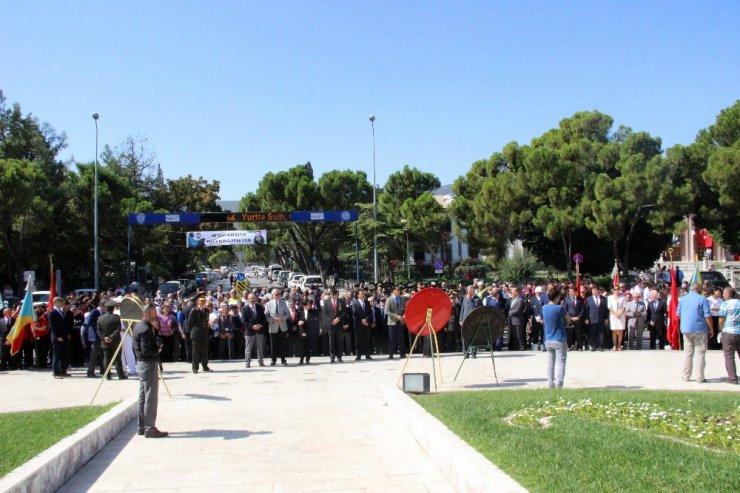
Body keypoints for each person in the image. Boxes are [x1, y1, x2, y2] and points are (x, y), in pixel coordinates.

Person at [133, 304, 167, 438]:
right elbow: (146, 351)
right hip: (147, 364)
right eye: (153, 313)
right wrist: (157, 350)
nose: (156, 315)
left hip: (141, 363)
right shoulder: (146, 328)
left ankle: (142, 426)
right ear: (146, 313)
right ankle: (150, 428)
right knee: (150, 397)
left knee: (143, 396)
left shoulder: (138, 326)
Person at [677, 282, 714, 383]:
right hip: (699, 329)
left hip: (686, 329)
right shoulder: (702, 299)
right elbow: (707, 315)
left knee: (688, 354)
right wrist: (711, 329)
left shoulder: (683, 299)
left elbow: (678, 314)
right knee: (700, 353)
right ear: (697, 288)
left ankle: (686, 376)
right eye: (701, 287)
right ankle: (700, 377)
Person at [543, 287, 568, 388]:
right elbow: (568, 318)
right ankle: (559, 384)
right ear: (557, 297)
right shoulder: (559, 308)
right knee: (561, 363)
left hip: (548, 338)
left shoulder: (544, 307)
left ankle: (550, 383)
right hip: (559, 338)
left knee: (550, 363)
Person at [98, 300, 127, 380]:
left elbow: (98, 331)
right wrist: (111, 337)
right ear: (113, 309)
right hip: (115, 341)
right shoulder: (116, 318)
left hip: (105, 341)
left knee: (106, 358)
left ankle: (107, 375)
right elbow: (118, 330)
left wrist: (105, 338)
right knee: (117, 358)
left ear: (106, 308)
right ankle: (120, 375)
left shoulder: (100, 318)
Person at [718, 287, 739, 385]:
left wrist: (721, 330)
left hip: (728, 332)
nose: (723, 295)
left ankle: (732, 378)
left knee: (729, 356)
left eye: (724, 293)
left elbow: (721, 319)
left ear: (727, 294)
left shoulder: (725, 304)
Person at [188, 294, 212, 373]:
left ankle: (205, 366)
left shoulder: (206, 310)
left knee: (205, 350)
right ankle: (195, 367)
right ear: (197, 301)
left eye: (204, 301)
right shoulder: (194, 310)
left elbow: (206, 320)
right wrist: (194, 331)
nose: (203, 302)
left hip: (204, 333)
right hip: (196, 333)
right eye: (201, 301)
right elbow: (190, 323)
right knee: (196, 351)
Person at [322, 288, 348, 363]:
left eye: (334, 294)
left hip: (339, 324)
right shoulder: (326, 302)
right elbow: (325, 314)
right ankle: (332, 357)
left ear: (337, 294)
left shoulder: (341, 302)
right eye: (332, 294)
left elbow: (344, 313)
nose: (333, 296)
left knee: (339, 341)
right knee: (331, 341)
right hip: (331, 325)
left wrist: (338, 319)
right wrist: (331, 321)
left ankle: (339, 356)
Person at [265, 288, 290, 366]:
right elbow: (266, 315)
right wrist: (272, 320)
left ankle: (283, 359)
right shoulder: (268, 304)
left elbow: (287, 314)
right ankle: (273, 360)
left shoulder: (283, 303)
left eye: (279, 294)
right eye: (276, 294)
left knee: (282, 344)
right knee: (273, 345)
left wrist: (283, 318)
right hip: (273, 326)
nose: (278, 296)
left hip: (282, 326)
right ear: (272, 295)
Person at [585, 286, 609, 352]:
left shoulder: (604, 299)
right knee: (593, 333)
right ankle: (593, 346)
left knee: (601, 333)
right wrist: (586, 318)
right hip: (592, 319)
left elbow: (606, 310)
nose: (594, 292)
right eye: (592, 291)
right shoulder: (588, 299)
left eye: (595, 290)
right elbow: (586, 310)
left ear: (598, 291)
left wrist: (607, 318)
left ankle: (601, 346)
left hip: (601, 318)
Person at [351, 290, 373, 360]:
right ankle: (358, 355)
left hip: (366, 324)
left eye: (363, 294)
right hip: (358, 325)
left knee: (367, 340)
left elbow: (370, 313)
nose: (363, 295)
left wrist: (366, 320)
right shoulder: (354, 303)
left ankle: (368, 355)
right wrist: (361, 320)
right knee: (358, 341)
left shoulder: (367, 302)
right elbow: (354, 314)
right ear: (358, 295)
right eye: (361, 294)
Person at [385, 286, 406, 359]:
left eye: (399, 290)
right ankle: (391, 354)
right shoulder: (389, 299)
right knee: (392, 339)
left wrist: (404, 316)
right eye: (397, 290)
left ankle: (402, 353)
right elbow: (387, 311)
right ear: (393, 291)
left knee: (401, 338)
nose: (399, 291)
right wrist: (396, 316)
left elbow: (405, 309)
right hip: (392, 322)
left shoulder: (402, 299)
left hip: (400, 322)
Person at [608, 286, 626, 351]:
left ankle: (619, 345)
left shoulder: (623, 297)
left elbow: (624, 307)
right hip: (613, 315)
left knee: (621, 330)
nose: (616, 291)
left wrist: (619, 313)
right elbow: (609, 307)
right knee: (614, 330)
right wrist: (615, 314)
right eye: (615, 289)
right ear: (613, 290)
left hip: (621, 315)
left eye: (618, 289)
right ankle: (615, 345)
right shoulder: (610, 297)